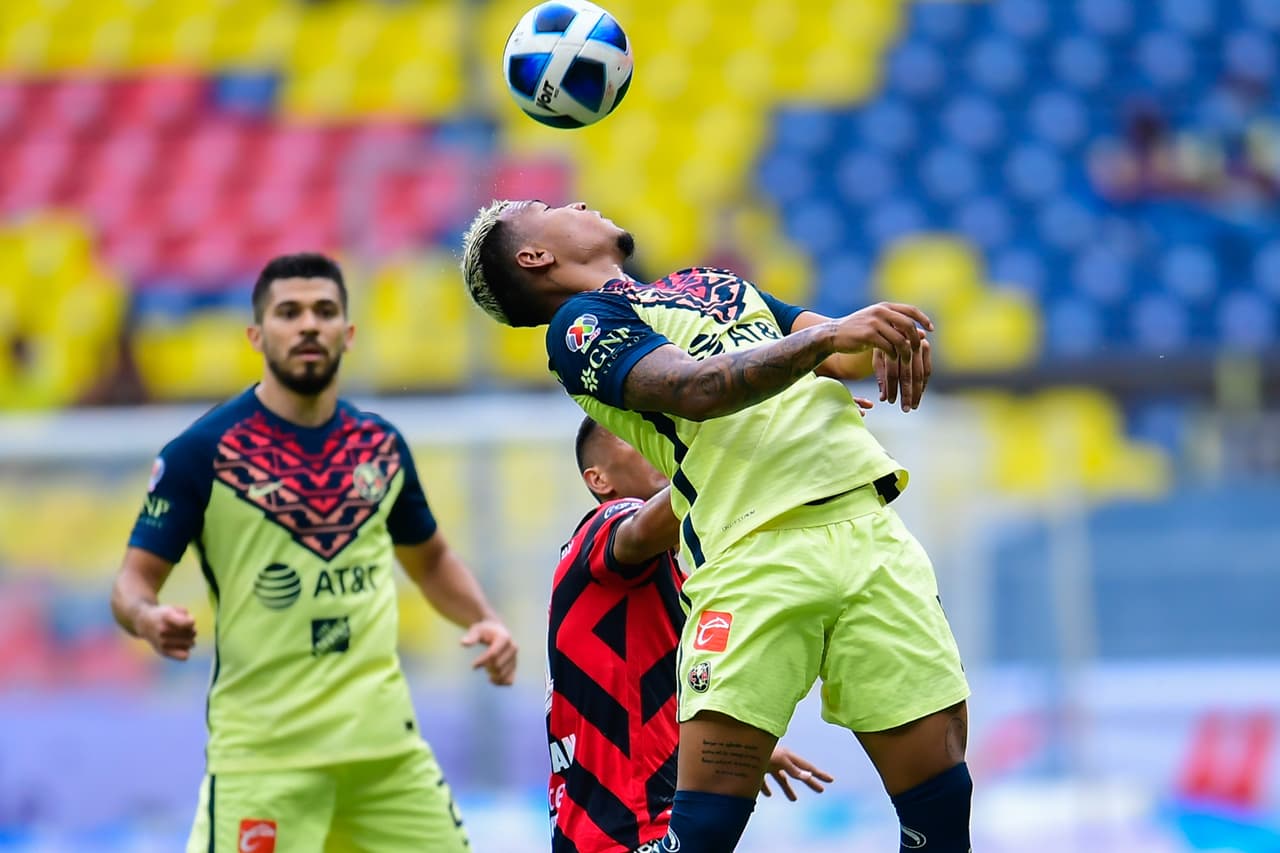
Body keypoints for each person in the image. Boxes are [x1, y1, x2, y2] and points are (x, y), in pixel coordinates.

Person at [461, 201, 971, 853]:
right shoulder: (581, 326)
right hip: (754, 555)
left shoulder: (713, 283)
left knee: (942, 810)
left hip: (869, 532)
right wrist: (825, 341)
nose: (580, 203)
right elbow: (693, 388)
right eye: (553, 207)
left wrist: (888, 334)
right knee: (704, 830)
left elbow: (839, 352)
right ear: (535, 256)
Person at [110, 252, 518, 853]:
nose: (308, 325)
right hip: (265, 761)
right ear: (257, 334)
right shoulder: (201, 453)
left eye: (325, 312)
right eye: (289, 312)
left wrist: (483, 618)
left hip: (386, 757)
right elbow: (131, 583)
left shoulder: (380, 445)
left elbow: (429, 559)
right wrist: (147, 617)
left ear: (348, 334)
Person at [549, 416, 834, 853]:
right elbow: (644, 527)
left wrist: (727, 742)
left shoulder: (658, 582)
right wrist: (736, 445)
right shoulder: (608, 523)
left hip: (613, 828)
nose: (654, 443)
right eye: (631, 437)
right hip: (628, 831)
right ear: (598, 478)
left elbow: (644, 697)